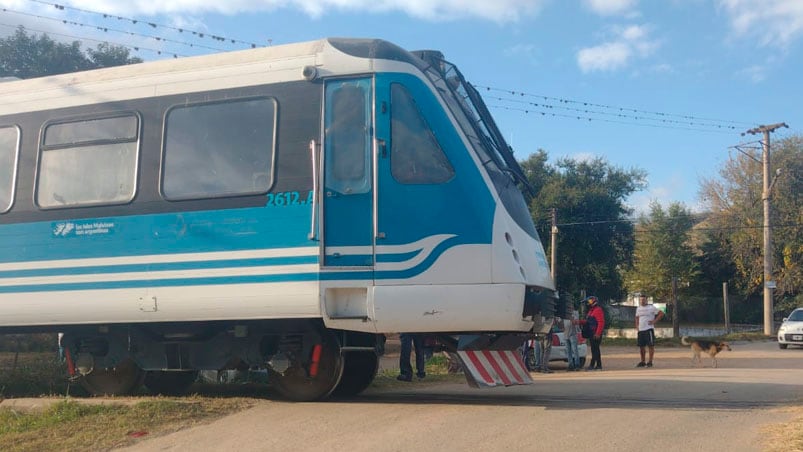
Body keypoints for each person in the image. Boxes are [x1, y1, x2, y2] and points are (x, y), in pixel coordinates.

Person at [635, 293, 665, 368]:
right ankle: (642, 361)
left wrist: (654, 321)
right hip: (641, 330)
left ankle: (650, 361)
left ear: (646, 300)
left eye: (643, 300)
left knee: (650, 345)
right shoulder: (638, 308)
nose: (642, 301)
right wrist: (637, 326)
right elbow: (637, 317)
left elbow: (661, 313)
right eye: (641, 300)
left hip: (648, 329)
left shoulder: (651, 307)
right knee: (641, 346)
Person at [578, 296, 605, 371]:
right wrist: (579, 322)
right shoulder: (591, 311)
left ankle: (595, 365)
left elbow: (601, 322)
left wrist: (598, 333)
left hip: (595, 333)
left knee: (595, 349)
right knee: (594, 349)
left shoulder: (598, 310)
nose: (587, 304)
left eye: (589, 302)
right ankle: (596, 365)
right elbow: (587, 322)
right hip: (591, 333)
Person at [564, 304, 580, 371]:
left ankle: (577, 365)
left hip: (573, 334)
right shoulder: (564, 314)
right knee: (568, 351)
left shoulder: (575, 313)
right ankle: (570, 365)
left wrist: (570, 316)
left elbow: (575, 322)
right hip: (566, 334)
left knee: (574, 350)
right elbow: (561, 324)